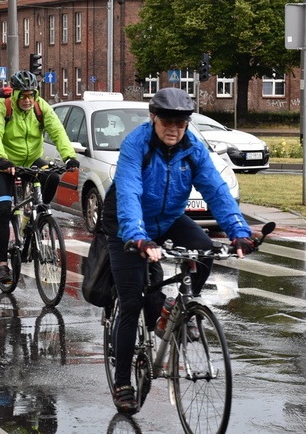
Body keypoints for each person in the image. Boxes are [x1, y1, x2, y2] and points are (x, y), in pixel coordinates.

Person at [101, 87, 259, 414]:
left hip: (168, 218)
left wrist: (239, 232)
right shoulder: (137, 144)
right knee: (132, 301)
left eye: (182, 123)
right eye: (167, 122)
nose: (174, 129)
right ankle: (122, 382)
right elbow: (129, 192)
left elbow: (215, 190)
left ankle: (170, 310)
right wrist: (138, 238)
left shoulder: (192, 149)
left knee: (205, 250)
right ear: (153, 119)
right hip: (126, 224)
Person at [0, 70, 79, 285]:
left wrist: (69, 156)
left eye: (31, 95)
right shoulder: (1, 108)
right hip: (2, 164)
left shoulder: (40, 106)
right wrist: (0, 158)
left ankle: (38, 214)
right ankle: (1, 263)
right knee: (3, 209)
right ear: (16, 94)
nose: (28, 100)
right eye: (23, 95)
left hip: (30, 160)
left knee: (53, 177)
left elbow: (57, 131)